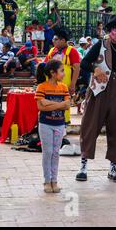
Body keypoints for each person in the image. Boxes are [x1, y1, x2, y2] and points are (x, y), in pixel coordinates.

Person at [76, 14, 116, 183]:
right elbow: (84, 63)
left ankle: (113, 168)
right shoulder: (99, 45)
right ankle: (83, 165)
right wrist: (95, 70)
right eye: (115, 30)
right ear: (110, 32)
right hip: (99, 92)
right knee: (90, 126)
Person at [35, 60, 70, 193]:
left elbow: (67, 105)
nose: (64, 73)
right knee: (47, 152)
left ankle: (54, 180)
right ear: (52, 73)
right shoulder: (41, 87)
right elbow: (39, 106)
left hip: (59, 124)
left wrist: (48, 103)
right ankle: (47, 181)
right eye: (61, 71)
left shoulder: (63, 88)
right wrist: (60, 104)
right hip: (45, 124)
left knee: (56, 153)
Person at [44, 28, 81, 98]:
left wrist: (73, 84)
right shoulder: (51, 50)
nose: (53, 41)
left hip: (65, 84)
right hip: (50, 84)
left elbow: (77, 68)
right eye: (53, 39)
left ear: (63, 40)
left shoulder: (72, 51)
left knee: (63, 105)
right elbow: (45, 64)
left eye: (55, 39)